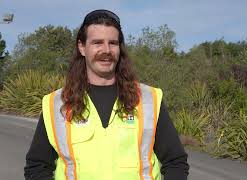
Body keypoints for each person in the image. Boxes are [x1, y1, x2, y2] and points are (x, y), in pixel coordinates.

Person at [24, 9, 189, 180]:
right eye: (97, 43)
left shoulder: (149, 99)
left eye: (113, 43)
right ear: (82, 47)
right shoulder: (57, 103)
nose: (106, 50)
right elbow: (37, 167)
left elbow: (175, 162)